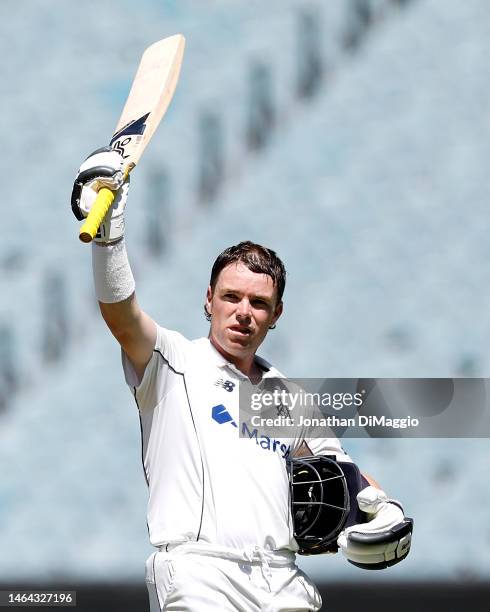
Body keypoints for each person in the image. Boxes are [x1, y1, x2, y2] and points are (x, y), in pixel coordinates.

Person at [72, 148, 411, 611]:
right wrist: (108, 236)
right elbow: (122, 317)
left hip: (283, 579)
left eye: (258, 303)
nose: (243, 313)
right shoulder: (174, 363)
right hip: (199, 571)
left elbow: (340, 471)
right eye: (231, 297)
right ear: (209, 299)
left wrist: (382, 505)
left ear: (276, 315)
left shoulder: (289, 397)